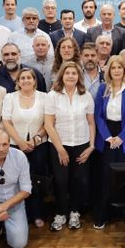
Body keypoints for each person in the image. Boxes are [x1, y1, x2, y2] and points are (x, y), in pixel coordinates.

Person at [43, 61, 96, 232]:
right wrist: (60, 149)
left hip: (81, 143)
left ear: (78, 76)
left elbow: (91, 122)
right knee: (60, 181)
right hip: (60, 145)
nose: (71, 76)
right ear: (62, 76)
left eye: (74, 73)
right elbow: (49, 124)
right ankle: (60, 213)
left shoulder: (86, 95)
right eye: (67, 73)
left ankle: (74, 212)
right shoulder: (53, 95)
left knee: (77, 180)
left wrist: (91, 146)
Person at [93, 56, 125, 228]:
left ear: (124, 70)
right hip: (106, 136)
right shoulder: (102, 88)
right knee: (106, 177)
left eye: (119, 67)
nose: (116, 71)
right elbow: (98, 115)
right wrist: (108, 137)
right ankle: (103, 215)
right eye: (113, 68)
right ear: (109, 70)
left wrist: (121, 137)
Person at [2, 68, 50, 228]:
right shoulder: (10, 97)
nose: (26, 80)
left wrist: (36, 139)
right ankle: (20, 215)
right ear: (18, 82)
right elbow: (6, 122)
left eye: (29, 77)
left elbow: (49, 122)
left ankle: (37, 214)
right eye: (22, 78)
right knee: (17, 182)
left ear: (35, 80)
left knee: (36, 181)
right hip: (15, 147)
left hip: (39, 146)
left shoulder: (45, 97)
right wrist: (20, 142)